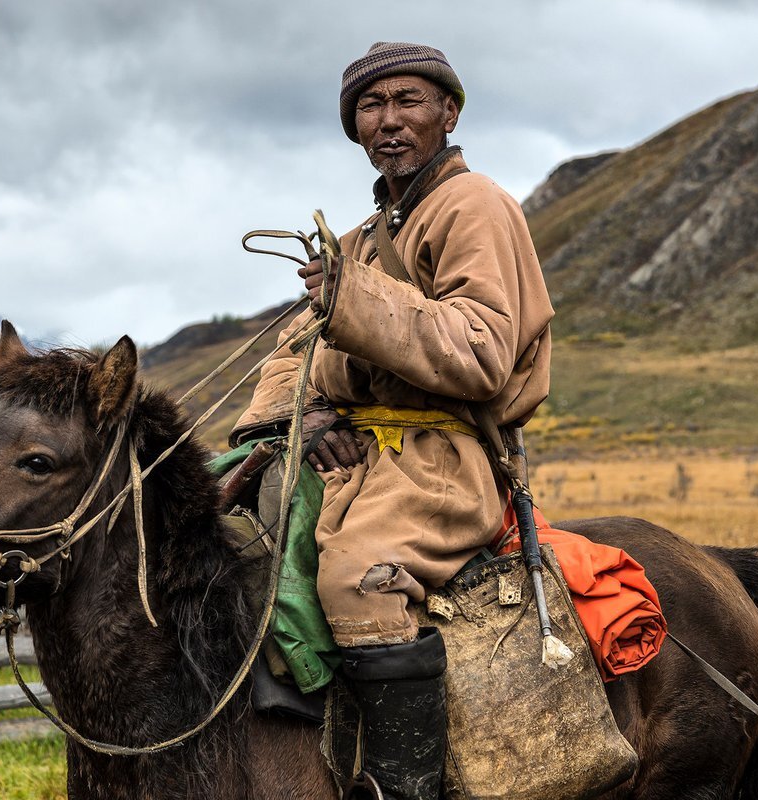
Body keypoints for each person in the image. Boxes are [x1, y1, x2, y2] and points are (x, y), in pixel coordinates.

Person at [231, 42, 554, 800]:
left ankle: (403, 784)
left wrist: (352, 303)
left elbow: (480, 352)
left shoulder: (475, 205)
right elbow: (285, 359)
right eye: (370, 108)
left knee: (356, 579)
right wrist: (306, 414)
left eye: (408, 101)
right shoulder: (358, 240)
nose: (388, 121)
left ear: (448, 111)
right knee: (219, 532)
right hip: (352, 457)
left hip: (441, 458)